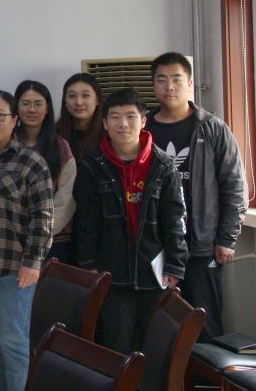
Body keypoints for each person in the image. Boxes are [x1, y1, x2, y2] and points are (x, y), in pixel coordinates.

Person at [75, 87, 188, 354]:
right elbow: (86, 222)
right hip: (112, 274)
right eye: (115, 117)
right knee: (116, 349)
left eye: (130, 116)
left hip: (154, 273)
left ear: (143, 121)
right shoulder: (92, 166)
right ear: (105, 123)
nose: (123, 124)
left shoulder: (163, 165)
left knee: (155, 348)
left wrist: (176, 264)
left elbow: (175, 218)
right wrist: (88, 265)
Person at [145, 52, 246, 342]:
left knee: (205, 321)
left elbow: (234, 186)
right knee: (159, 325)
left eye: (177, 79)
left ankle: (205, 373)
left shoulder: (212, 127)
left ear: (190, 84)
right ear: (154, 85)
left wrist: (226, 238)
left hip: (202, 246)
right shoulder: (143, 128)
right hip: (156, 246)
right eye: (162, 80)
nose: (169, 86)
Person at [0, 90, 54, 391]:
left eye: (0, 116)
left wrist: (33, 262)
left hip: (14, 270)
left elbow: (43, 216)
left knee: (13, 342)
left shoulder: (30, 161)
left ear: (14, 120)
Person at [15, 80, 77, 264]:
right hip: (12, 240)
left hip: (53, 240)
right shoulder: (7, 144)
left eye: (38, 104)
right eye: (26, 103)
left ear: (47, 108)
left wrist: (40, 232)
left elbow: (67, 197)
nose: (32, 110)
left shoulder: (60, 146)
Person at [56, 73, 106, 163]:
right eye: (72, 96)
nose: (79, 102)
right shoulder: (54, 134)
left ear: (98, 100)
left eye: (85, 95)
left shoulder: (109, 135)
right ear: (65, 100)